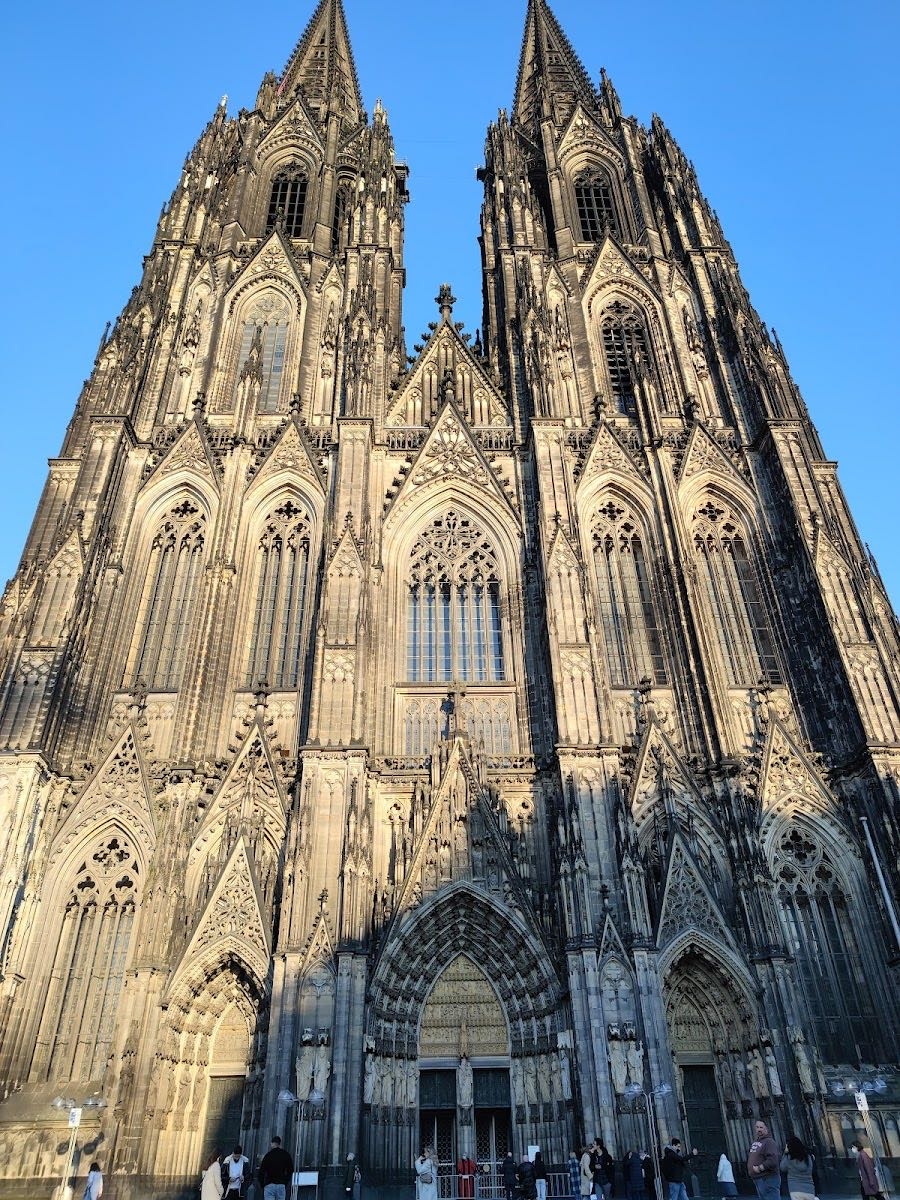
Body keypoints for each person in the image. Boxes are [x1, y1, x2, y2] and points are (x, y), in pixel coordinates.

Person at [746, 1122, 780, 1200]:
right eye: (757, 1127)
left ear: (766, 1128)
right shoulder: (757, 1142)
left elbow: (773, 1160)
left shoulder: (769, 1142)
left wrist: (760, 1168)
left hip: (767, 1179)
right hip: (759, 1179)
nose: (759, 1129)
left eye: (761, 1127)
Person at [780, 1135, 815, 1200]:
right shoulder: (808, 1157)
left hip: (795, 1189)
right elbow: (811, 1169)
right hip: (809, 1190)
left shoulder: (788, 1158)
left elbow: (782, 1168)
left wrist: (785, 1153)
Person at [260, 1135, 294, 1200]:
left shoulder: (268, 1155)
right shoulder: (286, 1154)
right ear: (279, 1144)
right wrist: (285, 1181)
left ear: (272, 1143)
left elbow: (261, 1171)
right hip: (281, 1184)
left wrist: (263, 1184)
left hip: (269, 1184)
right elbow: (291, 1169)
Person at [851, 1136, 883, 1200]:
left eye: (853, 1147)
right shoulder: (860, 1155)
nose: (852, 1149)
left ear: (857, 1147)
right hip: (865, 1180)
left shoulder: (863, 1155)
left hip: (867, 1180)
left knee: (875, 1194)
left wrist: (871, 1181)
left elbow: (868, 1168)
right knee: (869, 1195)